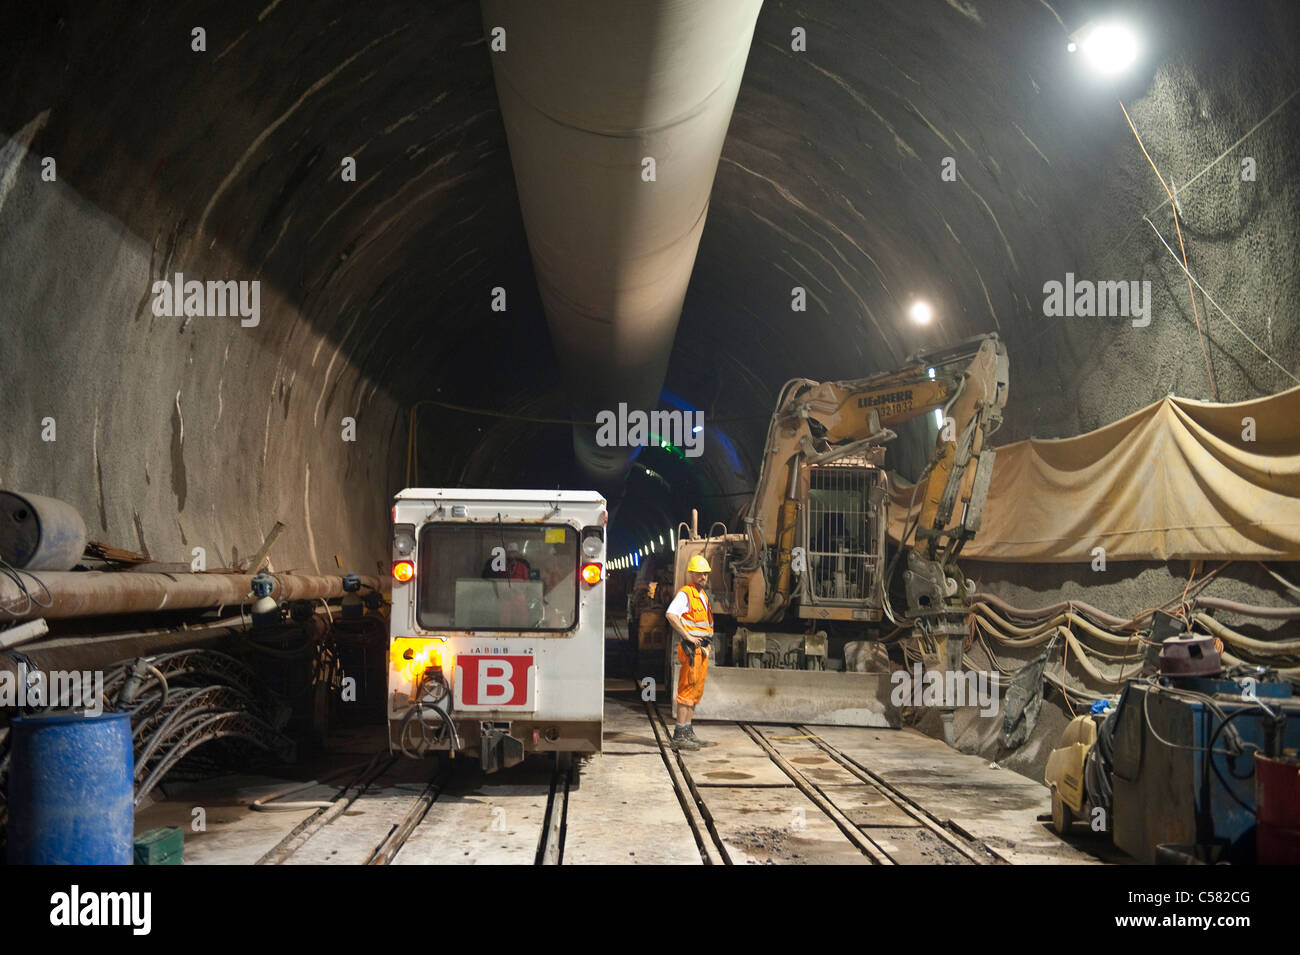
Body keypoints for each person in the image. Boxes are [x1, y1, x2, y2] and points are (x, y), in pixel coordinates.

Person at [664, 554, 713, 751]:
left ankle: (687, 731)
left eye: (706, 574)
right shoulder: (686, 594)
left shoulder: (703, 595)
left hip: (702, 650)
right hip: (692, 650)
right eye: (700, 573)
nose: (703, 577)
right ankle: (679, 734)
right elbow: (670, 615)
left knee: (695, 691)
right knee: (686, 691)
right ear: (691, 573)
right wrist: (687, 636)